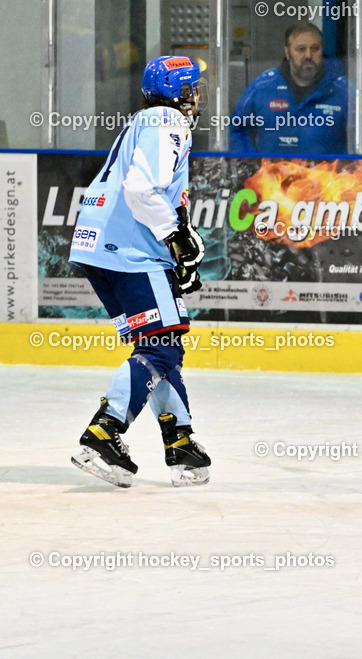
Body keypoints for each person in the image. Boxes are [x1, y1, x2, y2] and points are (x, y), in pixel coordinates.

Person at [69, 55, 211, 488]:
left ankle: (181, 441)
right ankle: (102, 434)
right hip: (130, 252)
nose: (197, 96)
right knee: (161, 349)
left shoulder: (144, 120)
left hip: (101, 249)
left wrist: (177, 241)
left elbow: (154, 188)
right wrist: (173, 236)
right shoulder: (169, 121)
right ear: (180, 93)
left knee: (159, 346)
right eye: (193, 87)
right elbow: (140, 188)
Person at [229, 22, 355, 154]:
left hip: (323, 174)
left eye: (315, 49)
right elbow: (236, 129)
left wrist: (341, 169)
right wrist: (252, 163)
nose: (308, 55)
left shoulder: (343, 91)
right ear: (287, 52)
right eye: (301, 49)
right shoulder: (262, 87)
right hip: (272, 174)